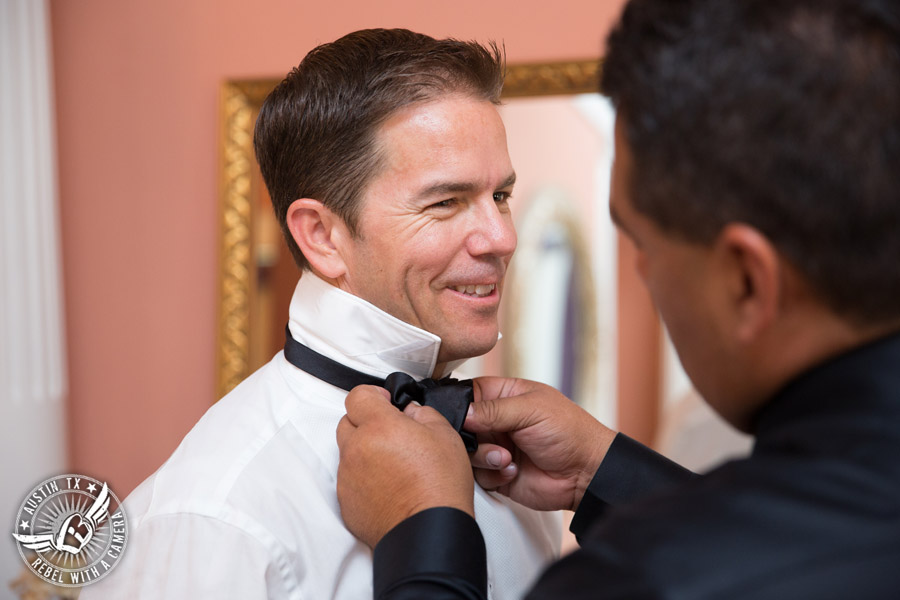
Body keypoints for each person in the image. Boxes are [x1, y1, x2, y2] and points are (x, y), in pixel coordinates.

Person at [335, 1, 900, 598]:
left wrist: (422, 541)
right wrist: (606, 472)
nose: (505, 240)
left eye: (644, 244)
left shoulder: (639, 581)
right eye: (446, 201)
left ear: (747, 281)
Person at [81, 29, 561, 599]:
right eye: (446, 202)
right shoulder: (215, 519)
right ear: (322, 237)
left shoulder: (513, 468)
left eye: (500, 196)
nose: (502, 238)